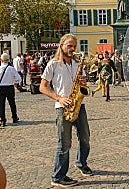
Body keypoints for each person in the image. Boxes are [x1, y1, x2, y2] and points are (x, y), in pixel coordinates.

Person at [39, 33, 92, 187]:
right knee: (64, 143)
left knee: (85, 138)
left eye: (74, 46)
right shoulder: (53, 64)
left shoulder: (76, 63)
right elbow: (42, 87)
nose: (72, 48)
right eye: (69, 45)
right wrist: (59, 98)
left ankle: (81, 163)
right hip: (63, 107)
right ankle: (58, 176)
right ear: (61, 45)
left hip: (78, 105)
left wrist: (83, 81)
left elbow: (82, 84)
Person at [0, 53, 21, 127]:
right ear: (8, 60)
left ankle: (2, 120)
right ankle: (14, 117)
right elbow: (18, 78)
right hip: (9, 87)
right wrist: (15, 82)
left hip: (1, 88)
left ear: (1, 60)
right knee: (12, 103)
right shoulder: (11, 68)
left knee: (1, 104)